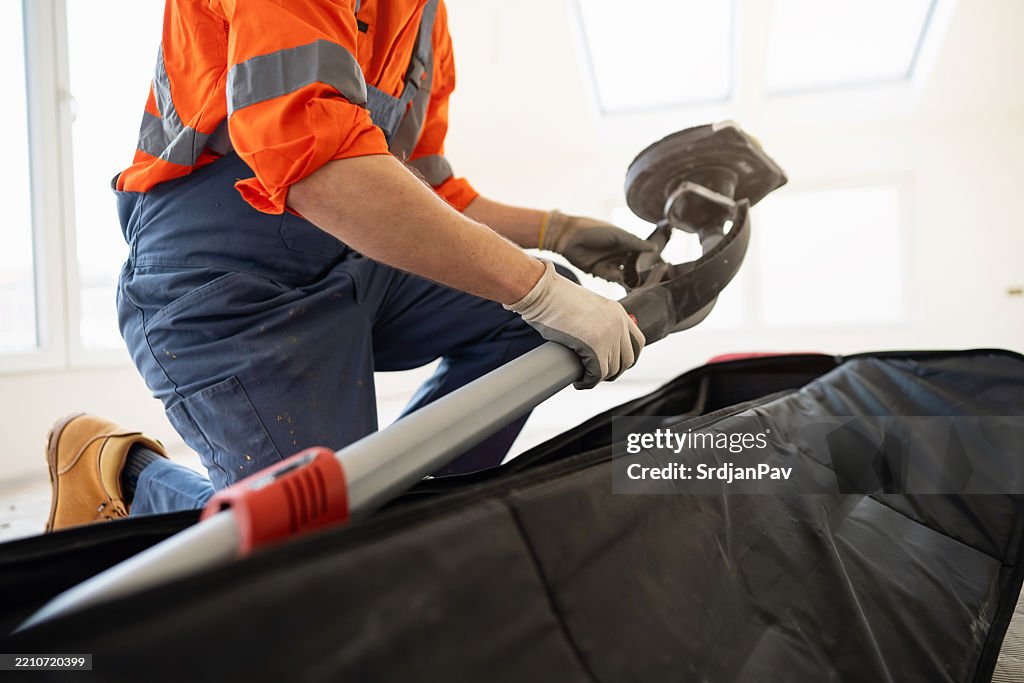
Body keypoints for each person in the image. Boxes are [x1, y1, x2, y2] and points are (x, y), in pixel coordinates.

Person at [44, 0, 653, 532]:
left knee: (531, 323)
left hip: (348, 256)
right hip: (223, 276)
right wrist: (538, 290)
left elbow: (420, 192)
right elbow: (317, 170)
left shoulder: (423, 18)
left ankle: (407, 521)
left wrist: (559, 233)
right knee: (312, 537)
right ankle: (126, 476)